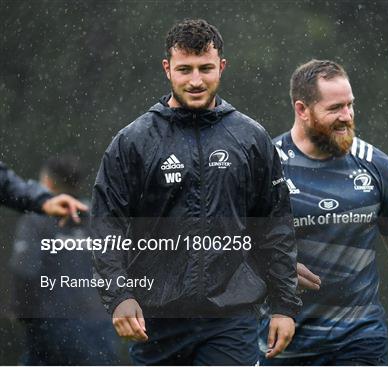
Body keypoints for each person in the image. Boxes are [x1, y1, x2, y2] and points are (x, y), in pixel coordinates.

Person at [91, 19, 301, 365]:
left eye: (205, 68)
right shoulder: (133, 141)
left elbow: (274, 226)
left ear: (221, 66)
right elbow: (106, 225)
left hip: (232, 318)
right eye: (184, 69)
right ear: (167, 69)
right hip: (155, 321)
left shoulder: (251, 138)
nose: (196, 80)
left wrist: (284, 305)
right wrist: (118, 296)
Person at [259, 59, 388, 365]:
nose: (347, 116)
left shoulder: (375, 164)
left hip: (360, 338)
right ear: (302, 109)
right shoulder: (266, 165)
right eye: (335, 108)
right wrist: (273, 266)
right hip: (284, 339)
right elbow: (232, 242)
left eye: (350, 105)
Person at [9, 156, 119, 365]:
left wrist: (22, 312)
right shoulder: (97, 217)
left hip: (51, 326)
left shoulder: (36, 219)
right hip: (98, 326)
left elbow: (24, 271)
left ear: (48, 182)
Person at [0, 161, 87, 221]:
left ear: (48, 182)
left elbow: (6, 184)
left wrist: (43, 200)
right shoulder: (93, 215)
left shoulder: (34, 220)